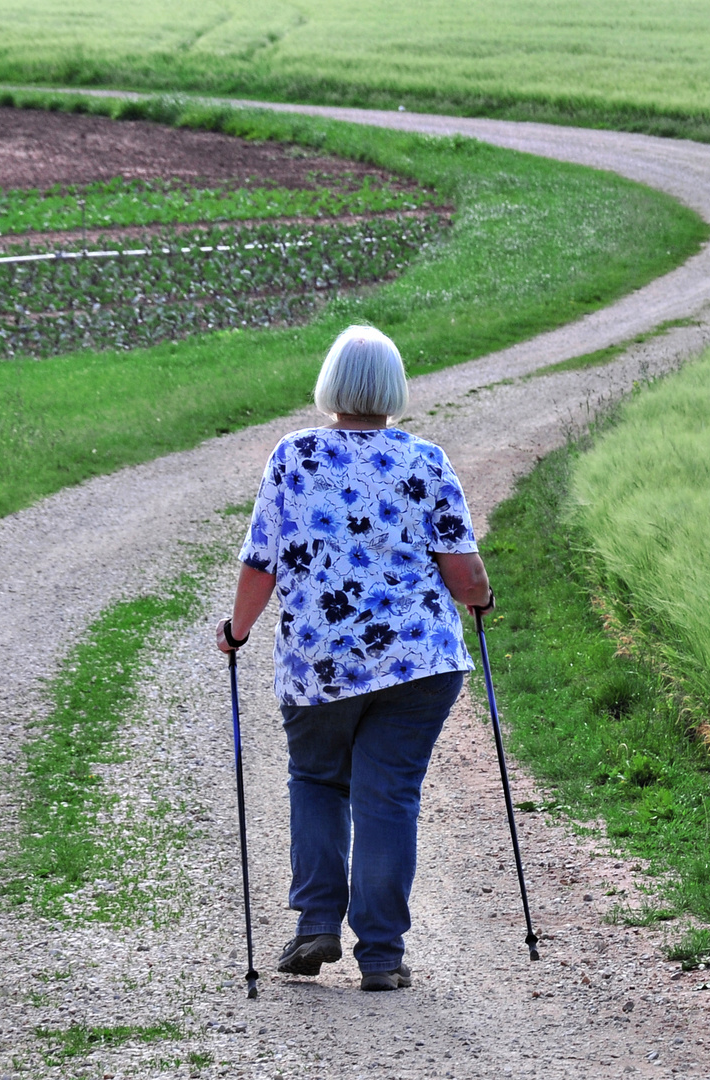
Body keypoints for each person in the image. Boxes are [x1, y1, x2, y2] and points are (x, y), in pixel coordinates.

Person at [216, 324, 493, 992]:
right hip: (416, 665)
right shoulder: (423, 460)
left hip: (319, 666)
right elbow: (465, 577)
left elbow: (262, 561)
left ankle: (315, 921)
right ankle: (381, 955)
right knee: (387, 796)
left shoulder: (294, 455)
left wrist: (237, 630)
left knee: (317, 781)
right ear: (394, 388)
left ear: (331, 386)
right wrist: (482, 600)